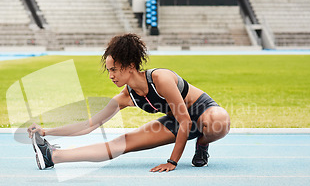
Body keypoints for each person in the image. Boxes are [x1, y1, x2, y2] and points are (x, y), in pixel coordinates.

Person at [28, 33, 230, 172]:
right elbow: (89, 125)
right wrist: (46, 131)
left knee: (218, 121)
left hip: (200, 112)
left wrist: (172, 162)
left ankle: (202, 144)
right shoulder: (124, 97)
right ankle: (53, 156)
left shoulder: (161, 79)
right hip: (177, 122)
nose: (110, 76)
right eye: (109, 70)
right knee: (119, 144)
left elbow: (186, 120)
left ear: (130, 66)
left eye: (114, 69)